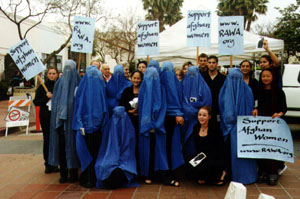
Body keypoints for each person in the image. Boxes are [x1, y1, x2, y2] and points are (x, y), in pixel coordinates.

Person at [219, 68, 257, 184]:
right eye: (232, 78)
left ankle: (244, 176)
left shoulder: (247, 91)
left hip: (243, 128)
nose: (234, 81)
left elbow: (251, 107)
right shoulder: (224, 90)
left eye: (237, 78)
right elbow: (222, 107)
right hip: (227, 126)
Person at [72, 65, 109, 188]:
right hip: (85, 127)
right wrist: (79, 124)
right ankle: (87, 176)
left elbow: (105, 106)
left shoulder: (100, 87)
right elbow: (78, 107)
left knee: (96, 152)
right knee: (85, 152)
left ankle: (94, 177)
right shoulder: (82, 89)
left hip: (98, 126)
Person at [252, 68, 287, 186]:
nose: (265, 78)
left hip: (274, 125)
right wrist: (255, 109)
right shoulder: (258, 90)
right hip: (261, 126)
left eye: (268, 76)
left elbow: (283, 108)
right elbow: (255, 104)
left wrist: (279, 114)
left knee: (272, 147)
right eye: (263, 76)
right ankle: (262, 170)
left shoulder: (279, 91)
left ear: (273, 77)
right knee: (261, 147)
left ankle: (273, 171)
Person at [48, 60, 80, 183]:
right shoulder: (59, 84)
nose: (68, 71)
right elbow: (55, 102)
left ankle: (73, 173)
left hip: (74, 123)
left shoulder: (78, 83)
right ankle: (63, 173)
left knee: (74, 148)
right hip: (61, 123)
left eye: (70, 69)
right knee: (62, 149)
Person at [138, 67, 169, 185]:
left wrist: (156, 123)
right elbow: (142, 107)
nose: (152, 79)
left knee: (158, 150)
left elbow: (163, 107)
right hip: (145, 126)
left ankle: (157, 173)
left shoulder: (161, 89)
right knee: (146, 151)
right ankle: (147, 173)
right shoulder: (143, 88)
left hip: (158, 126)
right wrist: (146, 123)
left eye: (154, 77)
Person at [95, 106, 139, 189]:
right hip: (110, 161)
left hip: (126, 164)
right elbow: (106, 151)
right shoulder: (109, 131)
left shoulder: (129, 132)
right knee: (103, 168)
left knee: (118, 173)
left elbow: (129, 154)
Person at [160, 62, 185, 187]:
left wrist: (178, 113)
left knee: (171, 146)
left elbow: (180, 100)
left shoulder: (178, 85)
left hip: (173, 119)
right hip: (161, 120)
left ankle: (171, 172)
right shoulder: (158, 84)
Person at [188, 106, 226, 185]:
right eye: (200, 115)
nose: (201, 117)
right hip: (202, 155)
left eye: (204, 115)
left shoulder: (215, 130)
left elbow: (220, 149)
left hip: (214, 156)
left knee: (207, 168)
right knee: (191, 167)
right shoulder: (196, 128)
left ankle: (222, 173)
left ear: (209, 117)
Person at [182, 66, 212, 159]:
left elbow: (207, 102)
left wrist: (196, 111)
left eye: (194, 74)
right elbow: (180, 101)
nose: (192, 77)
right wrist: (192, 108)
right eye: (189, 74)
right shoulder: (182, 86)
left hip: (200, 121)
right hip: (186, 121)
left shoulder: (204, 87)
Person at [33, 67, 59, 174]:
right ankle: (47, 164)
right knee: (47, 139)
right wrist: (46, 97)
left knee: (56, 139)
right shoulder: (41, 87)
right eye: (50, 73)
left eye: (54, 73)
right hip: (46, 116)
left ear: (57, 74)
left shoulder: (59, 85)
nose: (52, 75)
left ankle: (55, 162)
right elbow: (36, 102)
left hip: (56, 115)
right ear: (47, 75)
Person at [202, 55, 226, 126]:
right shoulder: (202, 77)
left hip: (218, 109)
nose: (211, 64)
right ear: (207, 63)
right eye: (209, 62)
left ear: (217, 63)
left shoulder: (223, 78)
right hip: (205, 108)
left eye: (213, 62)